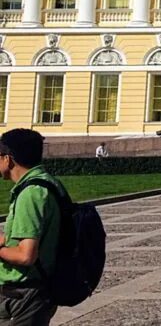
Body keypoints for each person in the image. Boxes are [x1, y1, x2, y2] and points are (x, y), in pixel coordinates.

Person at [0, 128, 68, 325]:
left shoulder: (31, 193)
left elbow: (25, 255)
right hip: (35, 289)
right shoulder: (48, 183)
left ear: (8, 159)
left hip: (23, 294)